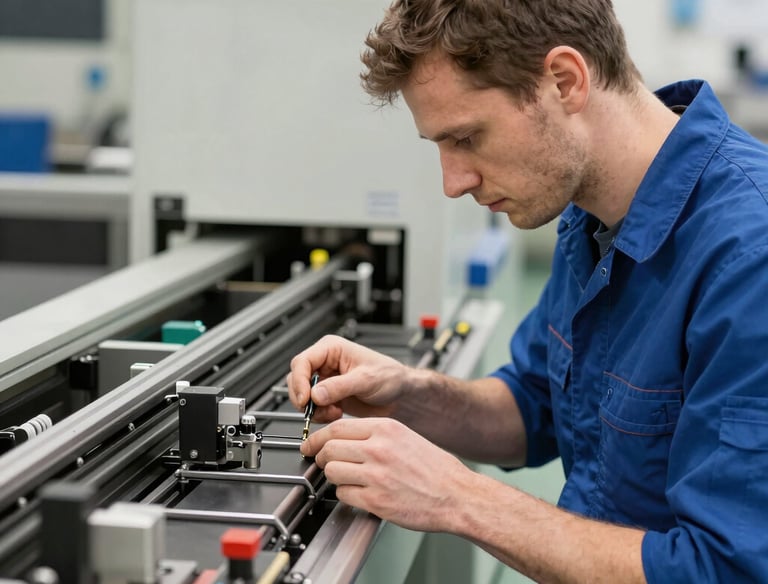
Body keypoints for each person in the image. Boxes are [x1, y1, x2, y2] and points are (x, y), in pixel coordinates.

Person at [287, 0, 768, 581]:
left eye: (467, 137)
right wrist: (407, 396)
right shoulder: (590, 214)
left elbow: (723, 570)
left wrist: (458, 498)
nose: (453, 183)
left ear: (564, 81)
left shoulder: (749, 259)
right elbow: (535, 405)